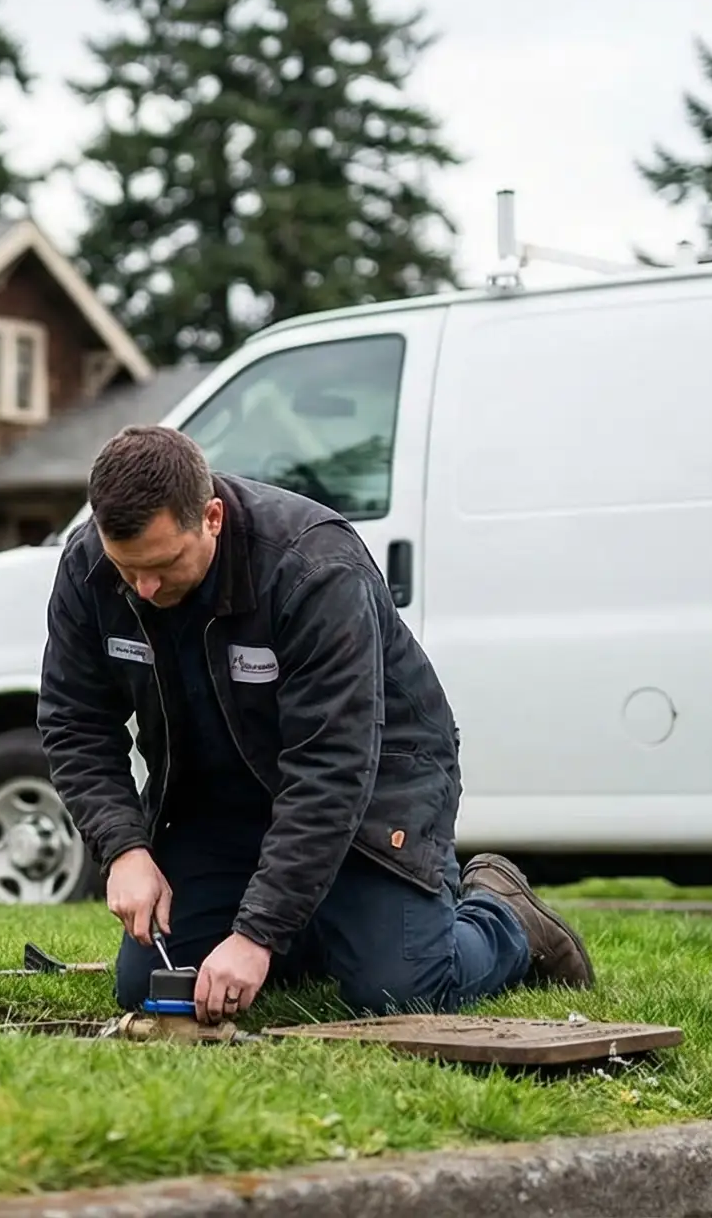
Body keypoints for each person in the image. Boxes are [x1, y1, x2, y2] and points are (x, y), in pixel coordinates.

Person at [36, 425, 593, 1024]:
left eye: (164, 564)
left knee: (398, 991)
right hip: (220, 800)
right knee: (150, 984)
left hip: (375, 787)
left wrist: (256, 934)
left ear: (213, 518)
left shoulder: (313, 569)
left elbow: (332, 767)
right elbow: (75, 720)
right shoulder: (89, 568)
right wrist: (124, 848)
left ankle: (503, 915)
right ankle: (320, 926)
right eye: (128, 569)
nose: (143, 588)